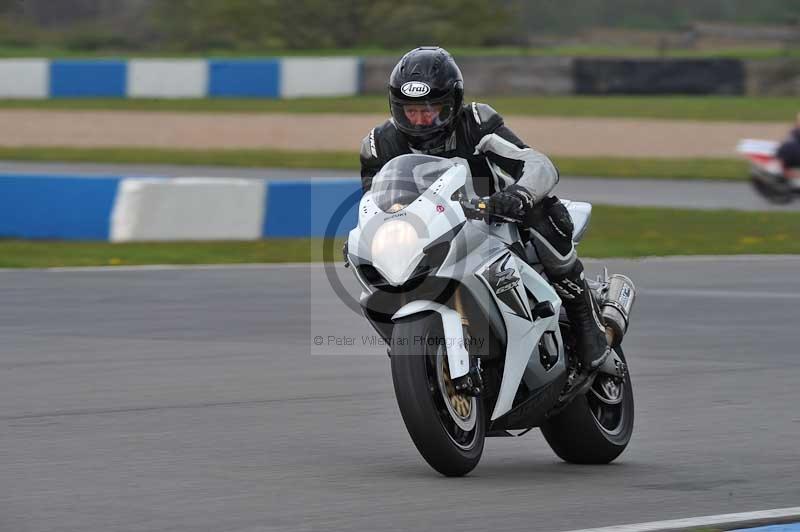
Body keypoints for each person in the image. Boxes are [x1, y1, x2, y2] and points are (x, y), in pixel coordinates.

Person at [359, 46, 609, 373]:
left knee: (544, 212)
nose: (420, 120)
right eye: (410, 111)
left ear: (453, 104)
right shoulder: (380, 145)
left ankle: (584, 318)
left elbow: (537, 164)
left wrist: (518, 194)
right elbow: (373, 203)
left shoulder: (475, 123)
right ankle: (412, 351)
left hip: (491, 221)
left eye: (431, 110)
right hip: (428, 234)